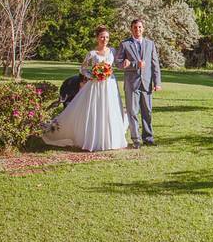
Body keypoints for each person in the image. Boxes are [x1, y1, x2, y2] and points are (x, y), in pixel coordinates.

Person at [43, 25, 128, 151]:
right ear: (97, 38)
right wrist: (92, 75)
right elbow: (82, 69)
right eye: (102, 37)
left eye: (107, 37)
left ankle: (110, 139)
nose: (104, 39)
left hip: (109, 85)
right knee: (95, 109)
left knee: (110, 109)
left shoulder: (113, 51)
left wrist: (126, 62)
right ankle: (92, 138)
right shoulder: (92, 53)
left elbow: (118, 62)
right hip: (95, 85)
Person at [118, 18, 161, 148]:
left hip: (146, 84)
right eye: (135, 27)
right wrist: (134, 64)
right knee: (133, 112)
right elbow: (119, 63)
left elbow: (155, 64)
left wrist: (157, 82)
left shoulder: (150, 44)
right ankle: (136, 140)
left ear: (143, 29)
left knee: (147, 112)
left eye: (140, 27)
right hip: (131, 84)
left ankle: (148, 138)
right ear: (131, 29)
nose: (138, 29)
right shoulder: (125, 44)